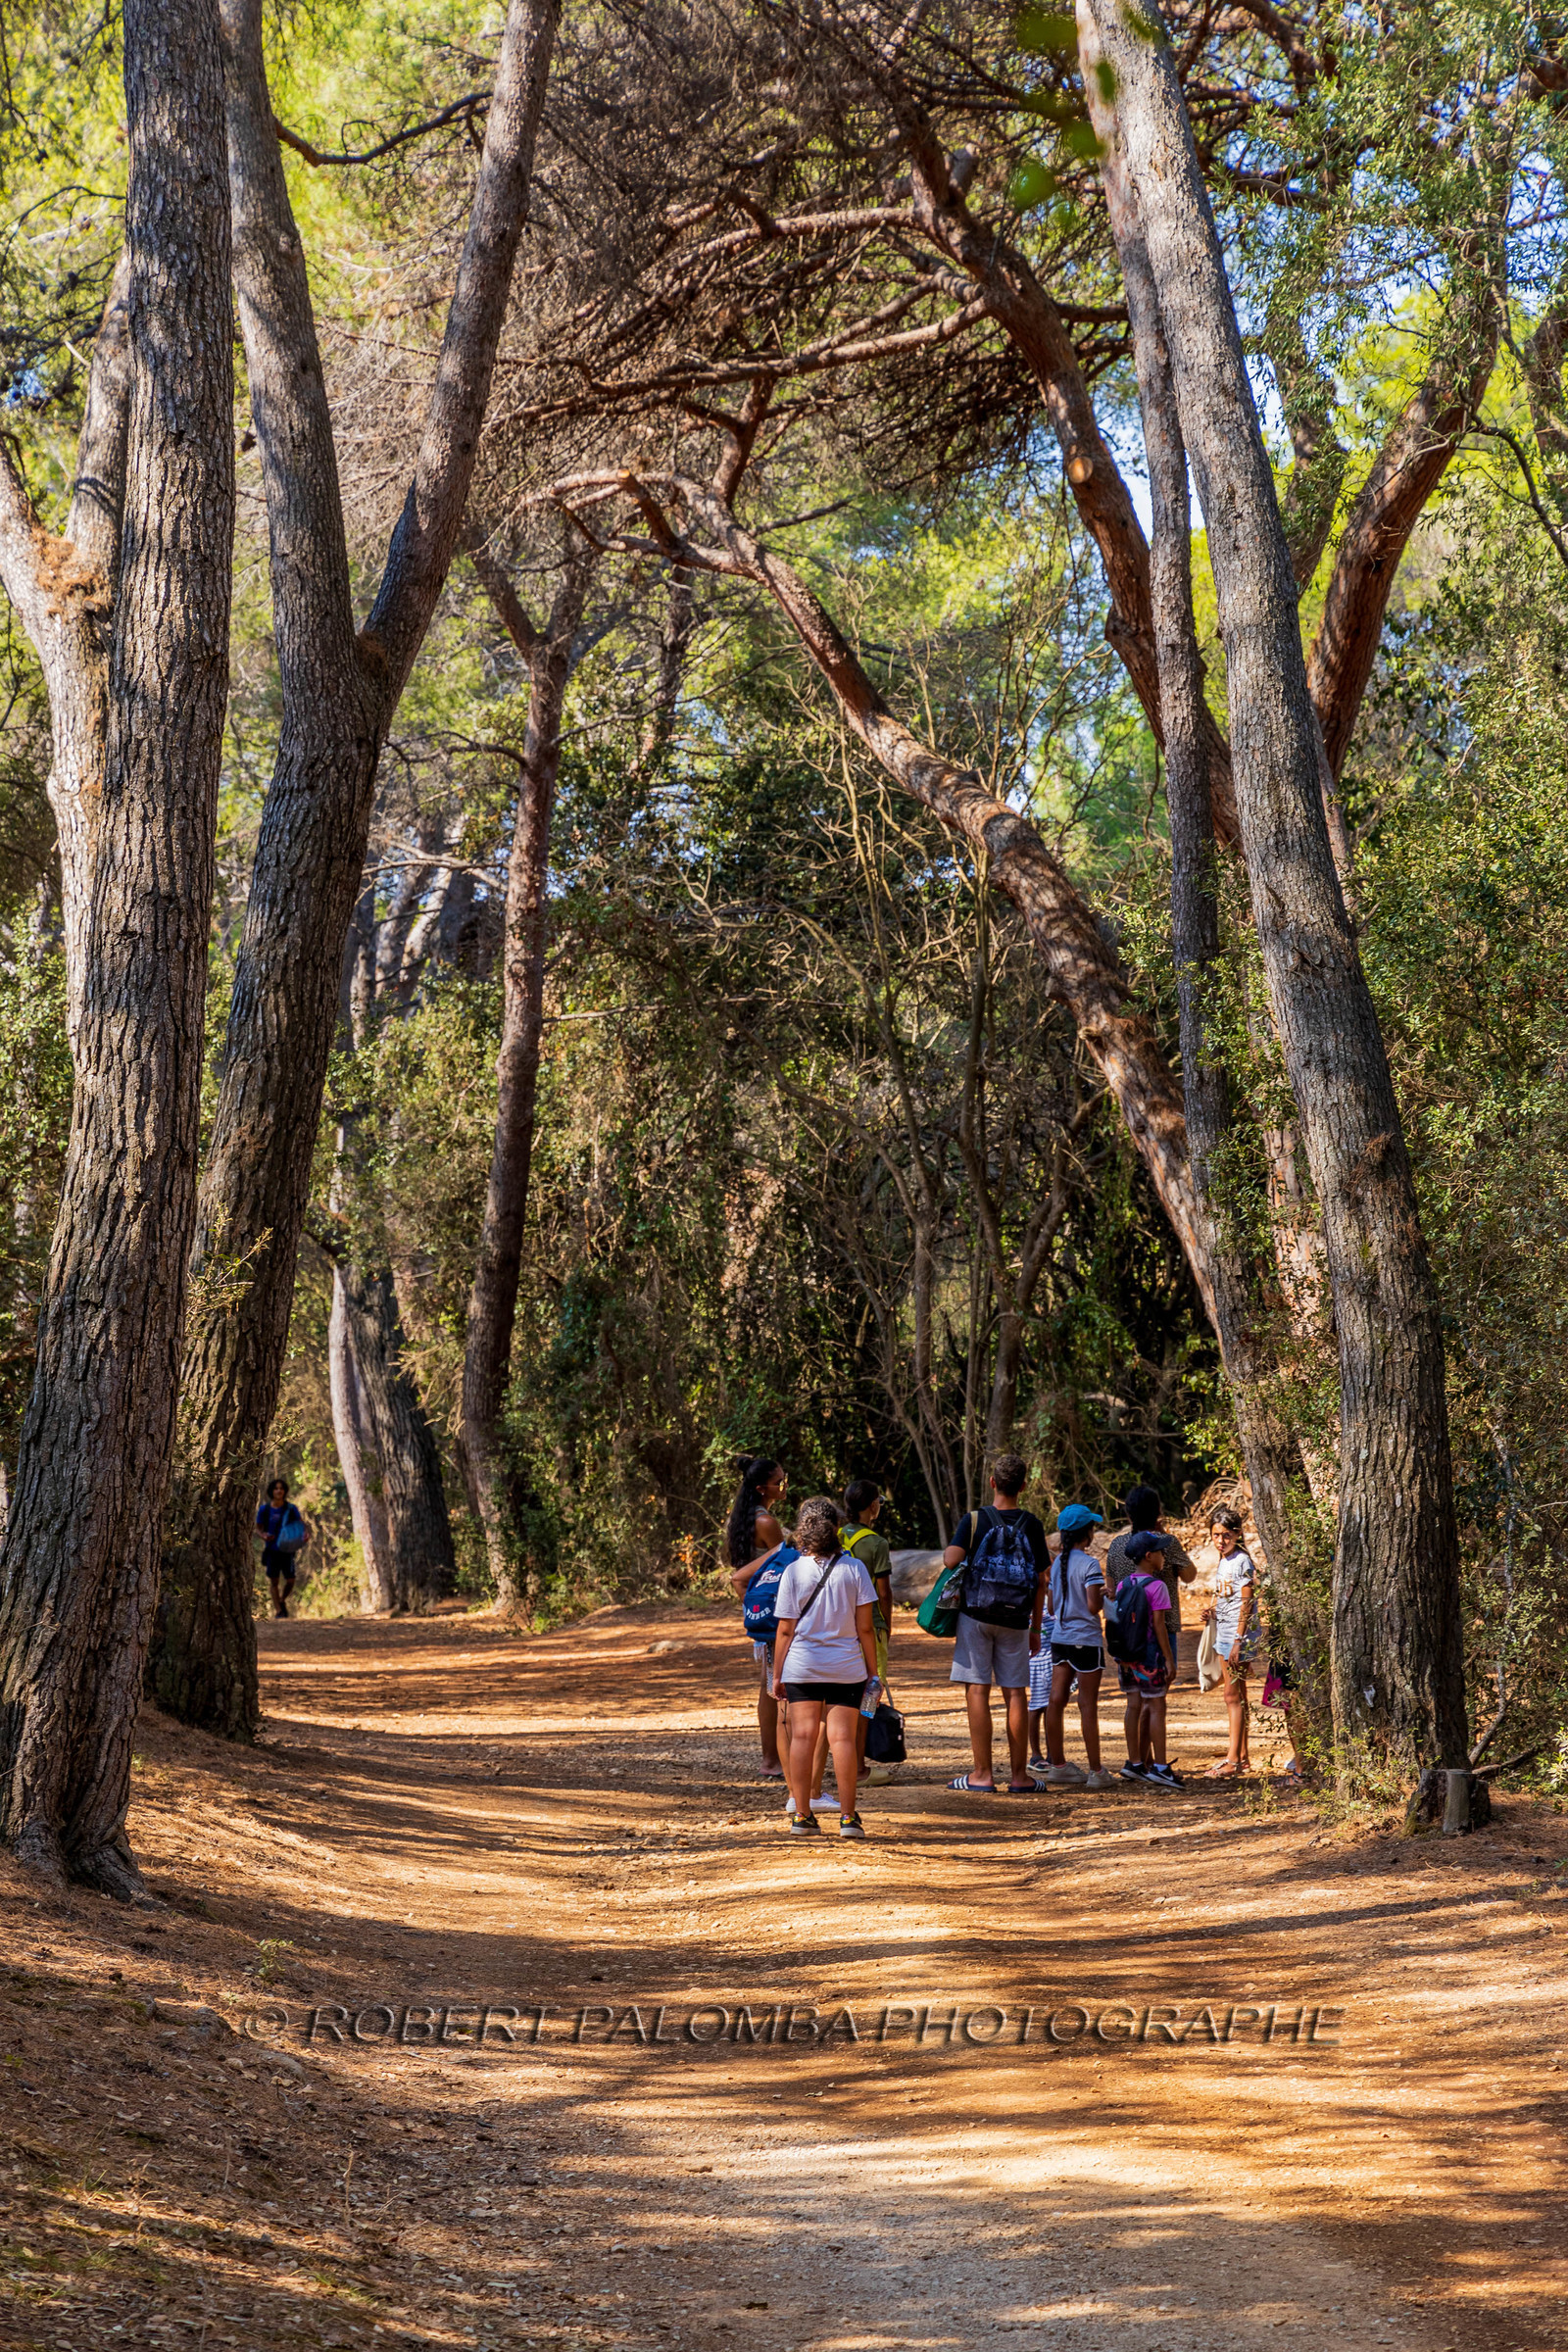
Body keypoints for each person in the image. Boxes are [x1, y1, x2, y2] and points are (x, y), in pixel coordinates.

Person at [937, 1452, 1050, 1796]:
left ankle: (982, 1775)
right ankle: (1020, 1777)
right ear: (1023, 1486)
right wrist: (1035, 1627)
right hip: (1016, 1619)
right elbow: (1041, 1580)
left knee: (977, 1690)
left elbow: (951, 1559)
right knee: (1015, 1692)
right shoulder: (1031, 1524)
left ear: (992, 1483)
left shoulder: (974, 1520)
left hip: (976, 1615)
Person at [771, 1494, 879, 1839]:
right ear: (836, 1529)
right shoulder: (855, 1569)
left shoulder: (793, 1571)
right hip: (846, 1667)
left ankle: (802, 1816)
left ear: (803, 1531)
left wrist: (777, 1674)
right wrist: (873, 1672)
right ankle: (848, 1818)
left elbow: (785, 1629)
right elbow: (865, 1629)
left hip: (802, 1667)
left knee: (802, 1737)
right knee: (842, 1738)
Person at [1104, 1484, 1195, 1775]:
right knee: (1154, 1700)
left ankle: (1137, 1760)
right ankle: (1151, 1763)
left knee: (1135, 1700)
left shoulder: (1118, 1545)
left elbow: (1110, 1584)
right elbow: (1190, 1575)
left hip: (1126, 1634)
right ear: (1157, 1512)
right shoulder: (1164, 1543)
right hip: (1160, 1631)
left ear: (1128, 1513)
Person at [1042, 1504, 1115, 1789]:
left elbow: (1051, 1606)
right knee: (1087, 1705)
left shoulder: (1056, 1565)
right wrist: (1104, 1594)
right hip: (1086, 1639)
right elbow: (1092, 1606)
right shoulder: (1089, 1565)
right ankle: (1096, 1770)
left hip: (1060, 1639)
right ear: (1087, 1534)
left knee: (1056, 1700)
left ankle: (1057, 1765)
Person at [726, 1458, 790, 1778]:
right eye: (779, 1481)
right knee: (773, 1686)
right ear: (762, 1488)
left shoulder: (742, 1517)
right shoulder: (766, 1522)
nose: (784, 1485)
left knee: (768, 1683)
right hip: (774, 1609)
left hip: (758, 1607)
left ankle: (773, 1758)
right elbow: (786, 1560)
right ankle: (773, 1759)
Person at [1116, 1531, 1183, 1788]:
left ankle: (1134, 1762)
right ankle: (1161, 1767)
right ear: (1148, 1556)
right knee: (1156, 1707)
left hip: (1127, 1658)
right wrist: (1169, 1659)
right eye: (1160, 1552)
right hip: (1150, 1657)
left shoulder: (1123, 1585)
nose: (1163, 1555)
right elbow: (1159, 1626)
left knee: (1133, 1705)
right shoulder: (1157, 1587)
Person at [839, 1478, 896, 1783]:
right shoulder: (876, 1543)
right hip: (870, 1625)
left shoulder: (834, 1535)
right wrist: (886, 1625)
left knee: (841, 1696)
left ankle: (842, 1762)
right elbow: (884, 1592)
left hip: (838, 1625)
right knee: (869, 1694)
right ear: (873, 1506)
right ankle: (859, 1768)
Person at [1201, 1505, 1262, 1778]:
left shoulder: (1241, 1561)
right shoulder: (1224, 1561)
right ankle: (1242, 1757)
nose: (1220, 1540)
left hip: (1236, 1638)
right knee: (1238, 1696)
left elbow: (1247, 1602)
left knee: (1231, 1696)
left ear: (1237, 1534)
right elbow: (1229, 1600)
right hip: (1225, 1633)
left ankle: (1233, 1760)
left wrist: (1239, 1640)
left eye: (1226, 1535)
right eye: (1216, 1535)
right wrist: (1212, 1613)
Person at [256, 1478, 310, 1619]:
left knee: (290, 1580)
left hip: (288, 1550)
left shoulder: (291, 1509)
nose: (279, 1491)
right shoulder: (265, 1510)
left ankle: (282, 1599)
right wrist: (263, 1535)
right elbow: (258, 1528)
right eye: (276, 1488)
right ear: (272, 1491)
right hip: (272, 1550)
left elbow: (300, 1524)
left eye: (281, 1488)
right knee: (274, 1581)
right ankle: (279, 1611)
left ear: (285, 1491)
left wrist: (305, 1534)